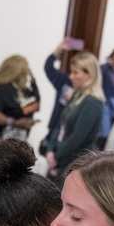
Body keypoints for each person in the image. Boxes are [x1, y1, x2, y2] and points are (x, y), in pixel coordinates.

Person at [45, 52, 104, 186]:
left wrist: (56, 156)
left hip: (75, 162)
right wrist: (50, 149)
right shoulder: (77, 94)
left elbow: (77, 138)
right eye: (71, 72)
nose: (71, 77)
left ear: (89, 74)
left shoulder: (93, 102)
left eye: (75, 73)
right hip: (61, 156)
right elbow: (60, 125)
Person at [0, 55, 40, 148]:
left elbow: (34, 106)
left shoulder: (24, 91)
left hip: (17, 139)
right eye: (25, 69)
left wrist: (34, 82)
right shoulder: (2, 89)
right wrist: (14, 122)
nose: (27, 72)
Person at [39, 42, 74, 156]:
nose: (73, 76)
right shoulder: (64, 80)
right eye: (73, 71)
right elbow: (48, 67)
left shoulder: (89, 93)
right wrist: (57, 50)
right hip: (55, 126)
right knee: (47, 153)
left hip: (70, 135)